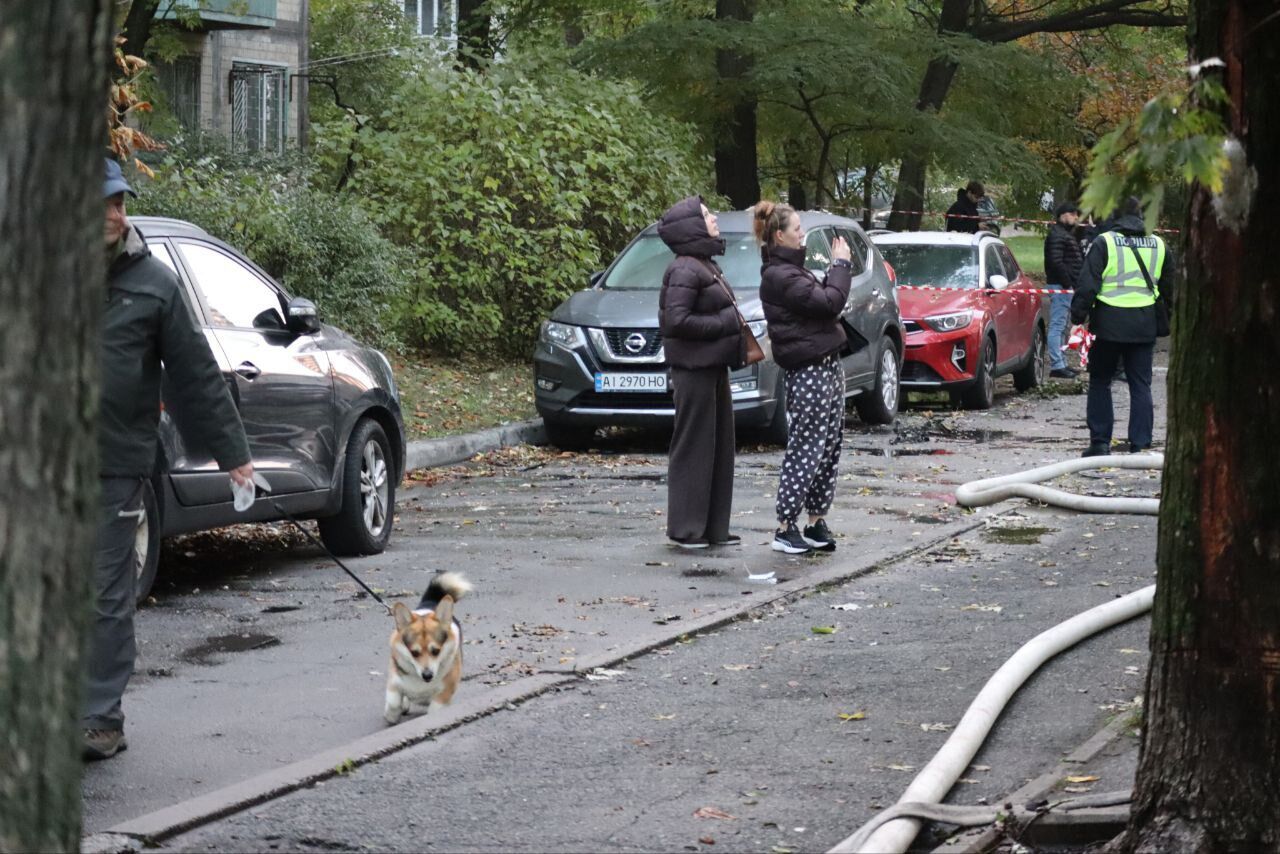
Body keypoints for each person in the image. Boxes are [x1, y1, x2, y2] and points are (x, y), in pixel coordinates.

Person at [86, 158, 255, 760]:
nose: (114, 214)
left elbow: (196, 374)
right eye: (102, 204)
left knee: (104, 591)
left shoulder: (155, 283)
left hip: (114, 461)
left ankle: (99, 719)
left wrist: (235, 456)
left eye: (119, 203)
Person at [755, 201, 853, 555]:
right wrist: (840, 266)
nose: (802, 234)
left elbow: (822, 303)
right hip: (808, 370)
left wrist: (832, 275)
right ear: (780, 236)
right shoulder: (780, 276)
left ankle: (814, 521)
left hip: (826, 363)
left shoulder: (793, 271)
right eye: (797, 229)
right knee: (807, 446)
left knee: (829, 445)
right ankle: (785, 526)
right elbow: (828, 303)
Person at [657, 196, 742, 550]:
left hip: (713, 366)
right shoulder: (684, 269)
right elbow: (675, 321)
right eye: (707, 215)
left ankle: (713, 529)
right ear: (691, 225)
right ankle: (687, 529)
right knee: (694, 446)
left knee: (719, 447)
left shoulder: (703, 264)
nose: (714, 219)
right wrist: (724, 323)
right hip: (693, 370)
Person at [1071, 197, 1175, 457]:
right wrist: (1168, 316)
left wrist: (1077, 318)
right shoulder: (1159, 244)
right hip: (1143, 325)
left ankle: (1100, 443)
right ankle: (1140, 444)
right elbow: (1170, 288)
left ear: (1114, 215)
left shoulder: (1104, 242)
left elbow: (1088, 284)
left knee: (1100, 381)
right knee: (1141, 385)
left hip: (1107, 324)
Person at [1043, 202, 1084, 378]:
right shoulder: (1057, 235)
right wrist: (1068, 283)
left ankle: (1062, 363)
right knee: (1058, 325)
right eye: (1073, 214)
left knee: (1062, 326)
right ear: (1063, 215)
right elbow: (1056, 261)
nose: (1076, 217)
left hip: (1064, 286)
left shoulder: (1063, 234)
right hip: (1061, 287)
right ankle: (1057, 365)